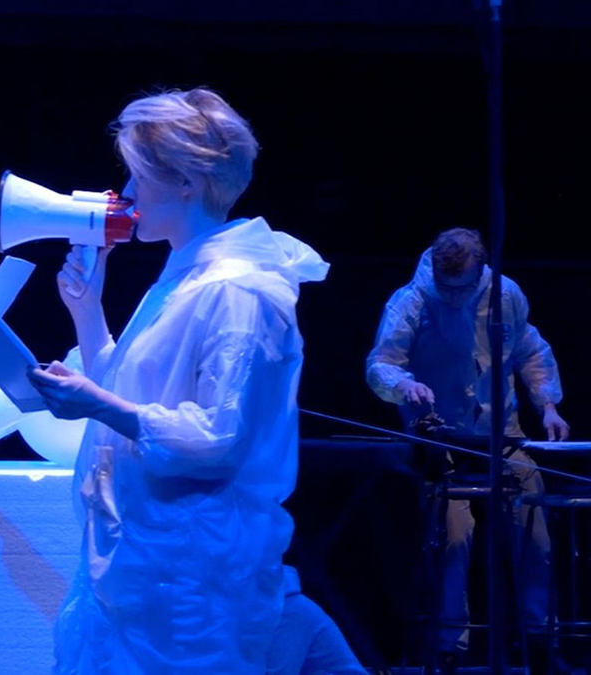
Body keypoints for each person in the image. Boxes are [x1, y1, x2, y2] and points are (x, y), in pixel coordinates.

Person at [29, 88, 329, 674]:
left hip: (193, 581)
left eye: (138, 175)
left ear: (186, 182)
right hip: (148, 563)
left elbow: (215, 439)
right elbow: (135, 397)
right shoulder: (187, 276)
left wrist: (97, 403)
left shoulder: (237, 290)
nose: (128, 192)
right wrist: (87, 312)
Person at [366, 227, 568, 663]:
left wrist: (548, 405)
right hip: (441, 440)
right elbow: (381, 363)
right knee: (453, 540)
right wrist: (404, 385)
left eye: (463, 289)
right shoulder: (411, 301)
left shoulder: (504, 295)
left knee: (535, 534)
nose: (454, 297)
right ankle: (450, 648)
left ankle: (539, 638)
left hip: (501, 435)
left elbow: (530, 350)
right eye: (447, 288)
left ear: (480, 273)